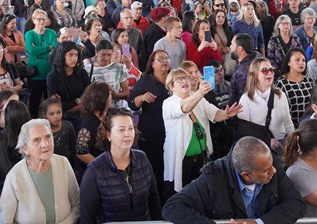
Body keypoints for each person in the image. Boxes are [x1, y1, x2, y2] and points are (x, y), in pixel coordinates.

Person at [163, 135, 306, 224]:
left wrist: (259, 223)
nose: (273, 171)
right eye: (266, 171)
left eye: (272, 165)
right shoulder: (213, 177)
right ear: (246, 175)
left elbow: (296, 203)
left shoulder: (270, 163)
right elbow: (172, 207)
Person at [162, 66, 241, 194]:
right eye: (179, 79)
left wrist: (226, 114)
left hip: (201, 158)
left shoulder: (197, 97)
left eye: (186, 78)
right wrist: (200, 92)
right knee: (183, 195)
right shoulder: (168, 103)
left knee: (201, 193)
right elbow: (184, 108)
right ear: (171, 87)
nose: (184, 81)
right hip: (182, 162)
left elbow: (214, 114)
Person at [79, 107, 162, 223]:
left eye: (131, 128)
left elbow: (154, 203)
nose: (127, 134)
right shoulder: (95, 169)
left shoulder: (142, 158)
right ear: (108, 135)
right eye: (121, 130)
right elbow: (87, 218)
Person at [0, 118, 80, 224]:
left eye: (48, 137)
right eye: (36, 140)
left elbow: (77, 204)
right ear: (25, 149)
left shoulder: (63, 163)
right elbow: (4, 220)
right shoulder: (15, 176)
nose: (45, 144)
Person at [128, 50, 171, 189]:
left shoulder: (174, 79)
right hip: (152, 135)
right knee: (152, 171)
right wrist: (141, 98)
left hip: (172, 134)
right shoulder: (145, 81)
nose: (165, 61)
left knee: (169, 171)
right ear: (152, 63)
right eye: (160, 59)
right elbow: (132, 104)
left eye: (166, 58)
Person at [236, 57, 294, 151]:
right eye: (264, 70)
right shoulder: (246, 99)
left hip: (282, 145)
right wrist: (268, 140)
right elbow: (245, 131)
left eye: (271, 70)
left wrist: (294, 140)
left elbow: (287, 122)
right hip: (258, 147)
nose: (270, 73)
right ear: (254, 75)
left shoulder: (280, 95)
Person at [0, 100, 30, 196]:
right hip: (28, 191)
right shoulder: (31, 140)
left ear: (7, 118)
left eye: (3, 112)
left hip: (2, 194)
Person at [24, 10, 57, 117]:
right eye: (39, 19)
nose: (42, 21)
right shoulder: (29, 34)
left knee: (50, 101)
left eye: (44, 19)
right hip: (35, 72)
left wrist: (39, 50)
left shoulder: (51, 33)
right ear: (33, 20)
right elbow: (31, 51)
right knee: (34, 100)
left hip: (49, 71)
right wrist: (48, 48)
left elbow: (55, 48)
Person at [276, 47, 314, 128]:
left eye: (303, 60)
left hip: (309, 127)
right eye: (297, 60)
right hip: (290, 127)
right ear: (288, 62)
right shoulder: (281, 83)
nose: (301, 63)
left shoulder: (309, 81)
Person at [39, 97, 77, 170]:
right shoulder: (42, 131)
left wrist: (76, 168)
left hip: (67, 164)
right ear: (44, 115)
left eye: (59, 112)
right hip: (49, 166)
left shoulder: (68, 126)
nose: (56, 117)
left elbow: (74, 148)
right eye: (51, 114)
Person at [228, 32, 259, 106]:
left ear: (240, 48)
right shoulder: (258, 56)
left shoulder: (241, 73)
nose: (230, 47)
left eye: (232, 44)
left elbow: (241, 101)